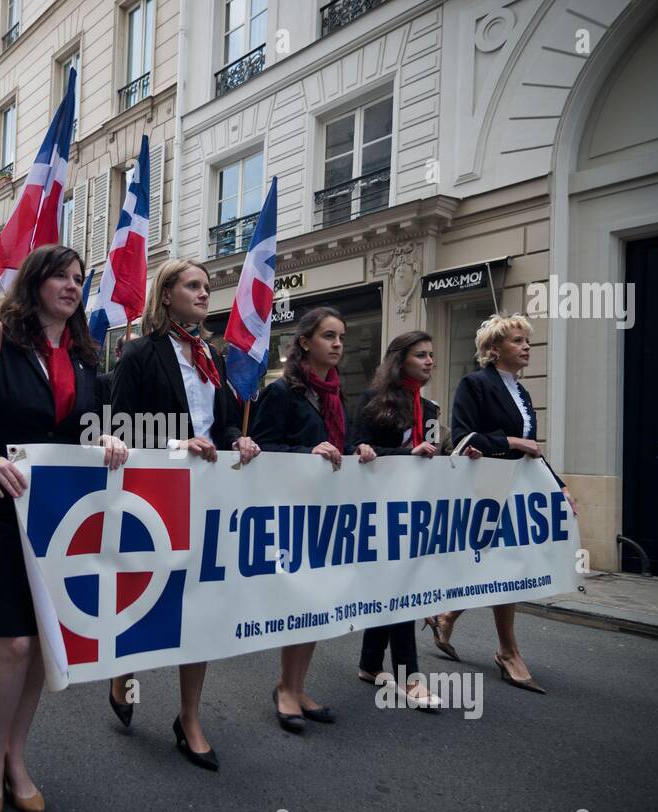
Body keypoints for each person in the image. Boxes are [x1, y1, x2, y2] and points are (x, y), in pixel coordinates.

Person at [0, 244, 128, 812]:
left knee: (44, 648)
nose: (74, 286)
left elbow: (78, 429)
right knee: (15, 642)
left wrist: (103, 440)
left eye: (79, 278)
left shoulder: (85, 356)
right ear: (36, 283)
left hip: (55, 516)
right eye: (62, 277)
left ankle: (19, 758)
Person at [106, 258, 260, 770]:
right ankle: (123, 672)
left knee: (201, 608)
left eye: (208, 286)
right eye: (193, 285)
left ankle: (189, 717)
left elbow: (213, 429)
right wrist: (177, 445)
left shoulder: (209, 358)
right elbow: (121, 430)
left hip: (206, 497)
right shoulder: (139, 355)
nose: (204, 293)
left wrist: (235, 438)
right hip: (153, 499)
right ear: (166, 293)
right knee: (146, 597)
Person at [429, 314, 576, 693]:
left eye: (527, 341)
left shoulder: (522, 393)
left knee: (497, 564)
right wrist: (511, 441)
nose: (527, 347)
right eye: (517, 341)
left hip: (518, 490)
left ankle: (447, 615)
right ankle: (508, 652)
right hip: (485, 489)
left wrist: (558, 487)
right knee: (502, 565)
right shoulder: (474, 384)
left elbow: (533, 452)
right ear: (493, 350)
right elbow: (462, 438)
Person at [251, 307, 377, 730]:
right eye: (328, 336)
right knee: (298, 600)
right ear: (305, 342)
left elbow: (343, 443)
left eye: (341, 336)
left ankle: (298, 685)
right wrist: (307, 454)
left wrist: (360, 450)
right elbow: (263, 450)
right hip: (293, 511)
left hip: (330, 510)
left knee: (317, 604)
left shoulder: (337, 392)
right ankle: (285, 689)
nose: (338, 343)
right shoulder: (282, 392)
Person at [349, 329, 482, 709]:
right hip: (379, 507)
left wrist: (456, 454)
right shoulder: (374, 399)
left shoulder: (430, 407)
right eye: (421, 355)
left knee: (394, 587)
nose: (430, 361)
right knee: (401, 590)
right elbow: (357, 449)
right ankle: (409, 679)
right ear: (400, 359)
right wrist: (407, 454)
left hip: (414, 509)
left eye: (431, 355)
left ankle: (371, 665)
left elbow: (431, 455)